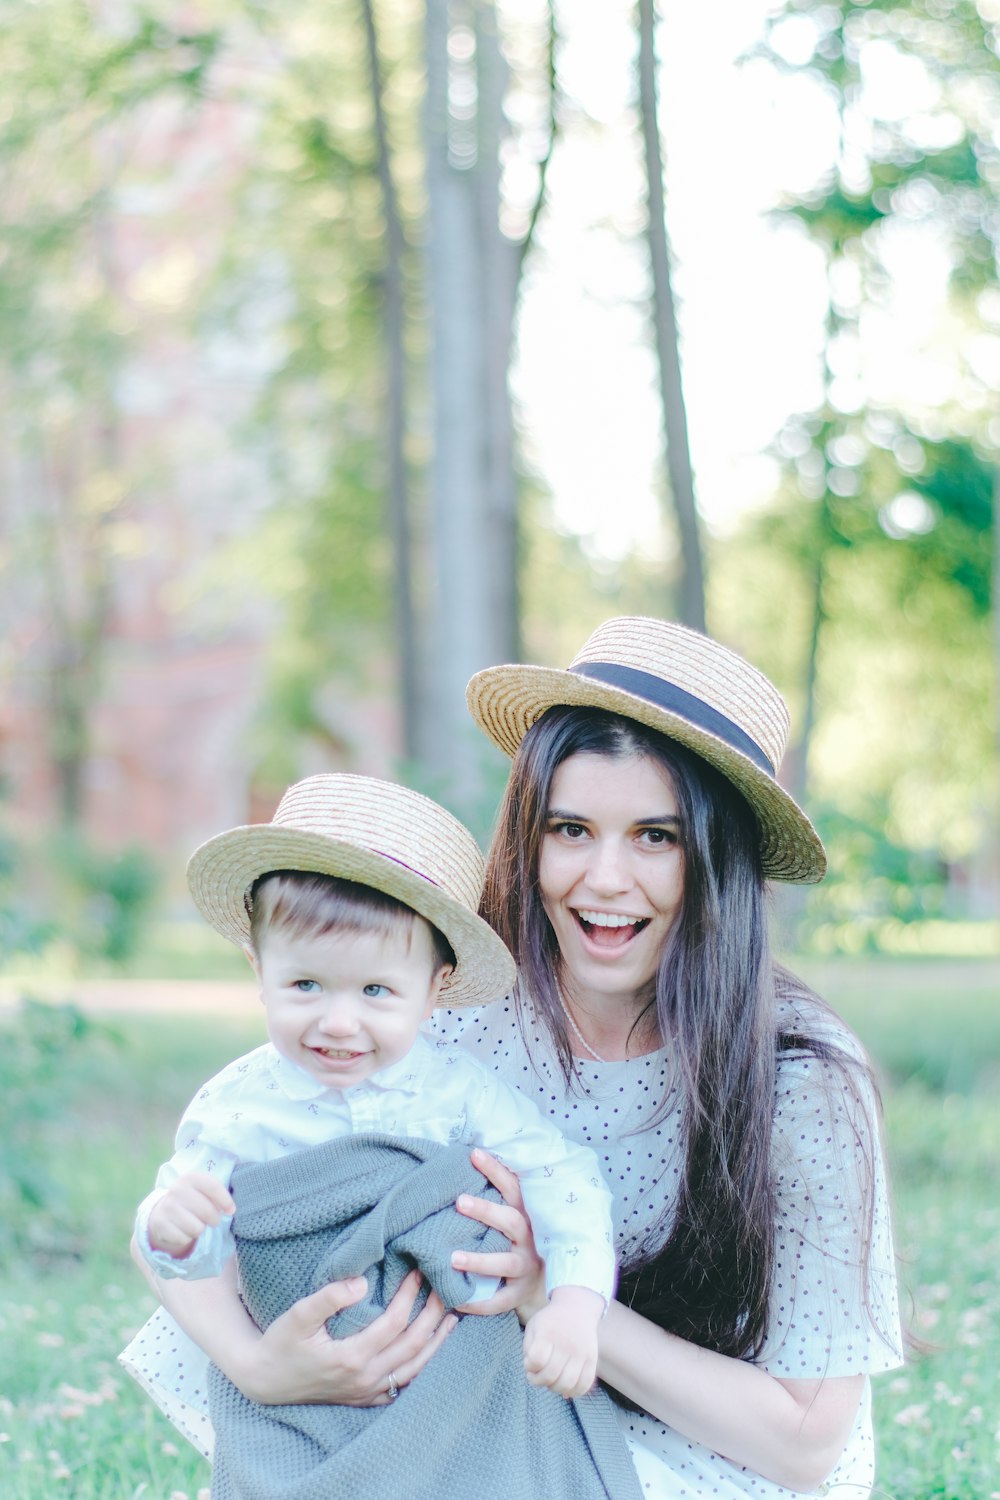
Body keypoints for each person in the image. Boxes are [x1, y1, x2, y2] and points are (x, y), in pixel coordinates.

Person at [127, 620, 903, 1500]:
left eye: (657, 837)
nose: (604, 879)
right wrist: (259, 1365)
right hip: (489, 1411)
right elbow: (229, 1173)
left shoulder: (799, 1079)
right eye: (571, 829)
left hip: (707, 1462)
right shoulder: (462, 1011)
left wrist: (556, 1293)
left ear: (717, 858)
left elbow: (804, 1443)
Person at [125, 774, 628, 1498]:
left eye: (375, 992)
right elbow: (200, 1243)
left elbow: (564, 1176)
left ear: (435, 989)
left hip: (448, 1371)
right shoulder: (240, 1106)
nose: (337, 1022)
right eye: (306, 986)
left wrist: (576, 1303)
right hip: (307, 1364)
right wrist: (169, 1227)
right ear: (258, 972)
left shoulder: (459, 1093)